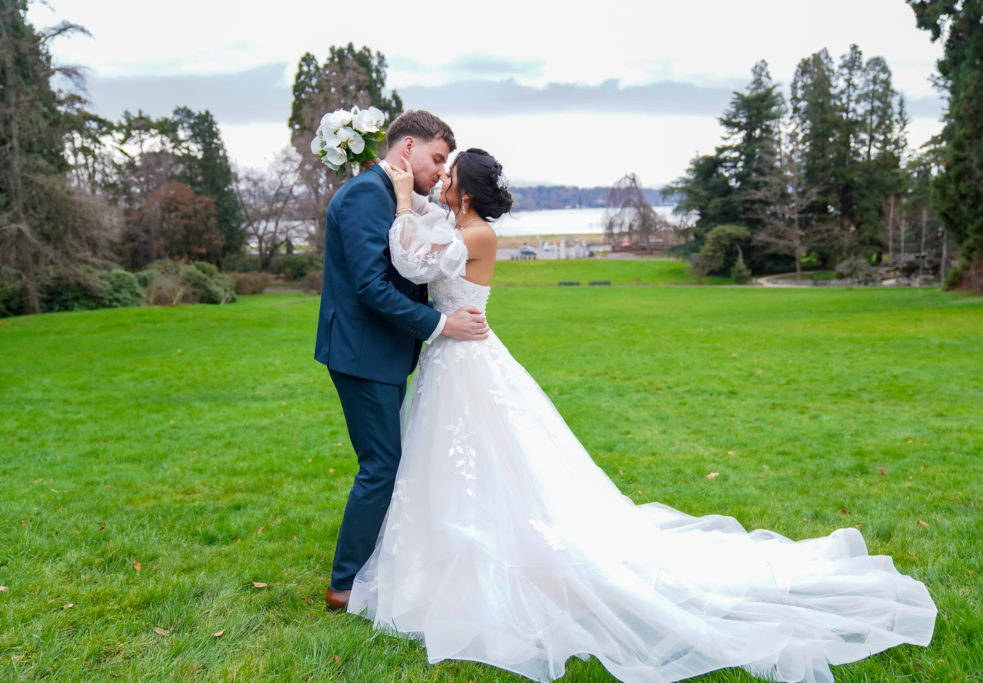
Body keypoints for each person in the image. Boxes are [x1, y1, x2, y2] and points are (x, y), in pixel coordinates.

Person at [348, 149, 937, 683]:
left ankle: (480, 565)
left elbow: (411, 260)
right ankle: (454, 559)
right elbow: (424, 240)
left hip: (466, 360)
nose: (440, 180)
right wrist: (414, 194)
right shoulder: (459, 224)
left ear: (468, 193)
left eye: (449, 176)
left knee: (489, 463)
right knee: (459, 468)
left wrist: (402, 199)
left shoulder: (474, 234)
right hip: (455, 356)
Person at [313, 110, 489, 614]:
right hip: (362, 352)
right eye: (437, 158)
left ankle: (379, 564)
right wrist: (441, 326)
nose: (441, 170)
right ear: (407, 146)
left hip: (385, 350)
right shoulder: (365, 195)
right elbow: (370, 287)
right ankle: (343, 585)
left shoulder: (398, 196)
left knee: (388, 462)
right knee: (381, 465)